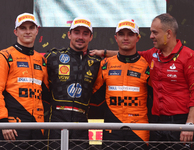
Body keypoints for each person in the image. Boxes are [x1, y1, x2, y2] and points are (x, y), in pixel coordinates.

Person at [90, 13, 194, 149]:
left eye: (154, 33)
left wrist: (190, 123)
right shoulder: (152, 55)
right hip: (156, 124)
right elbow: (129, 54)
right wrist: (102, 52)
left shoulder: (189, 56)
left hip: (181, 122)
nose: (151, 36)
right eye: (121, 35)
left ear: (168, 34)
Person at [0, 13, 49, 149]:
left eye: (31, 28)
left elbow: (48, 93)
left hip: (38, 125)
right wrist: (3, 123)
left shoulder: (42, 60)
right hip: (13, 126)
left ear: (37, 31)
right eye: (23, 28)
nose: (28, 31)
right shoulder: (4, 56)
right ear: (15, 32)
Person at [92, 19, 150, 150]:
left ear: (137, 38)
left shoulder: (146, 65)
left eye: (130, 34)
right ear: (115, 38)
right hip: (112, 129)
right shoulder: (105, 64)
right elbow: (94, 98)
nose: (125, 38)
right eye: (121, 34)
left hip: (139, 130)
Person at [45, 17, 101, 150]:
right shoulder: (53, 57)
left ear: (91, 37)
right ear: (69, 34)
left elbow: (125, 55)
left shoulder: (96, 62)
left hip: (81, 120)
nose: (80, 37)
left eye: (85, 33)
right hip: (56, 119)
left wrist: (105, 52)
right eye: (76, 32)